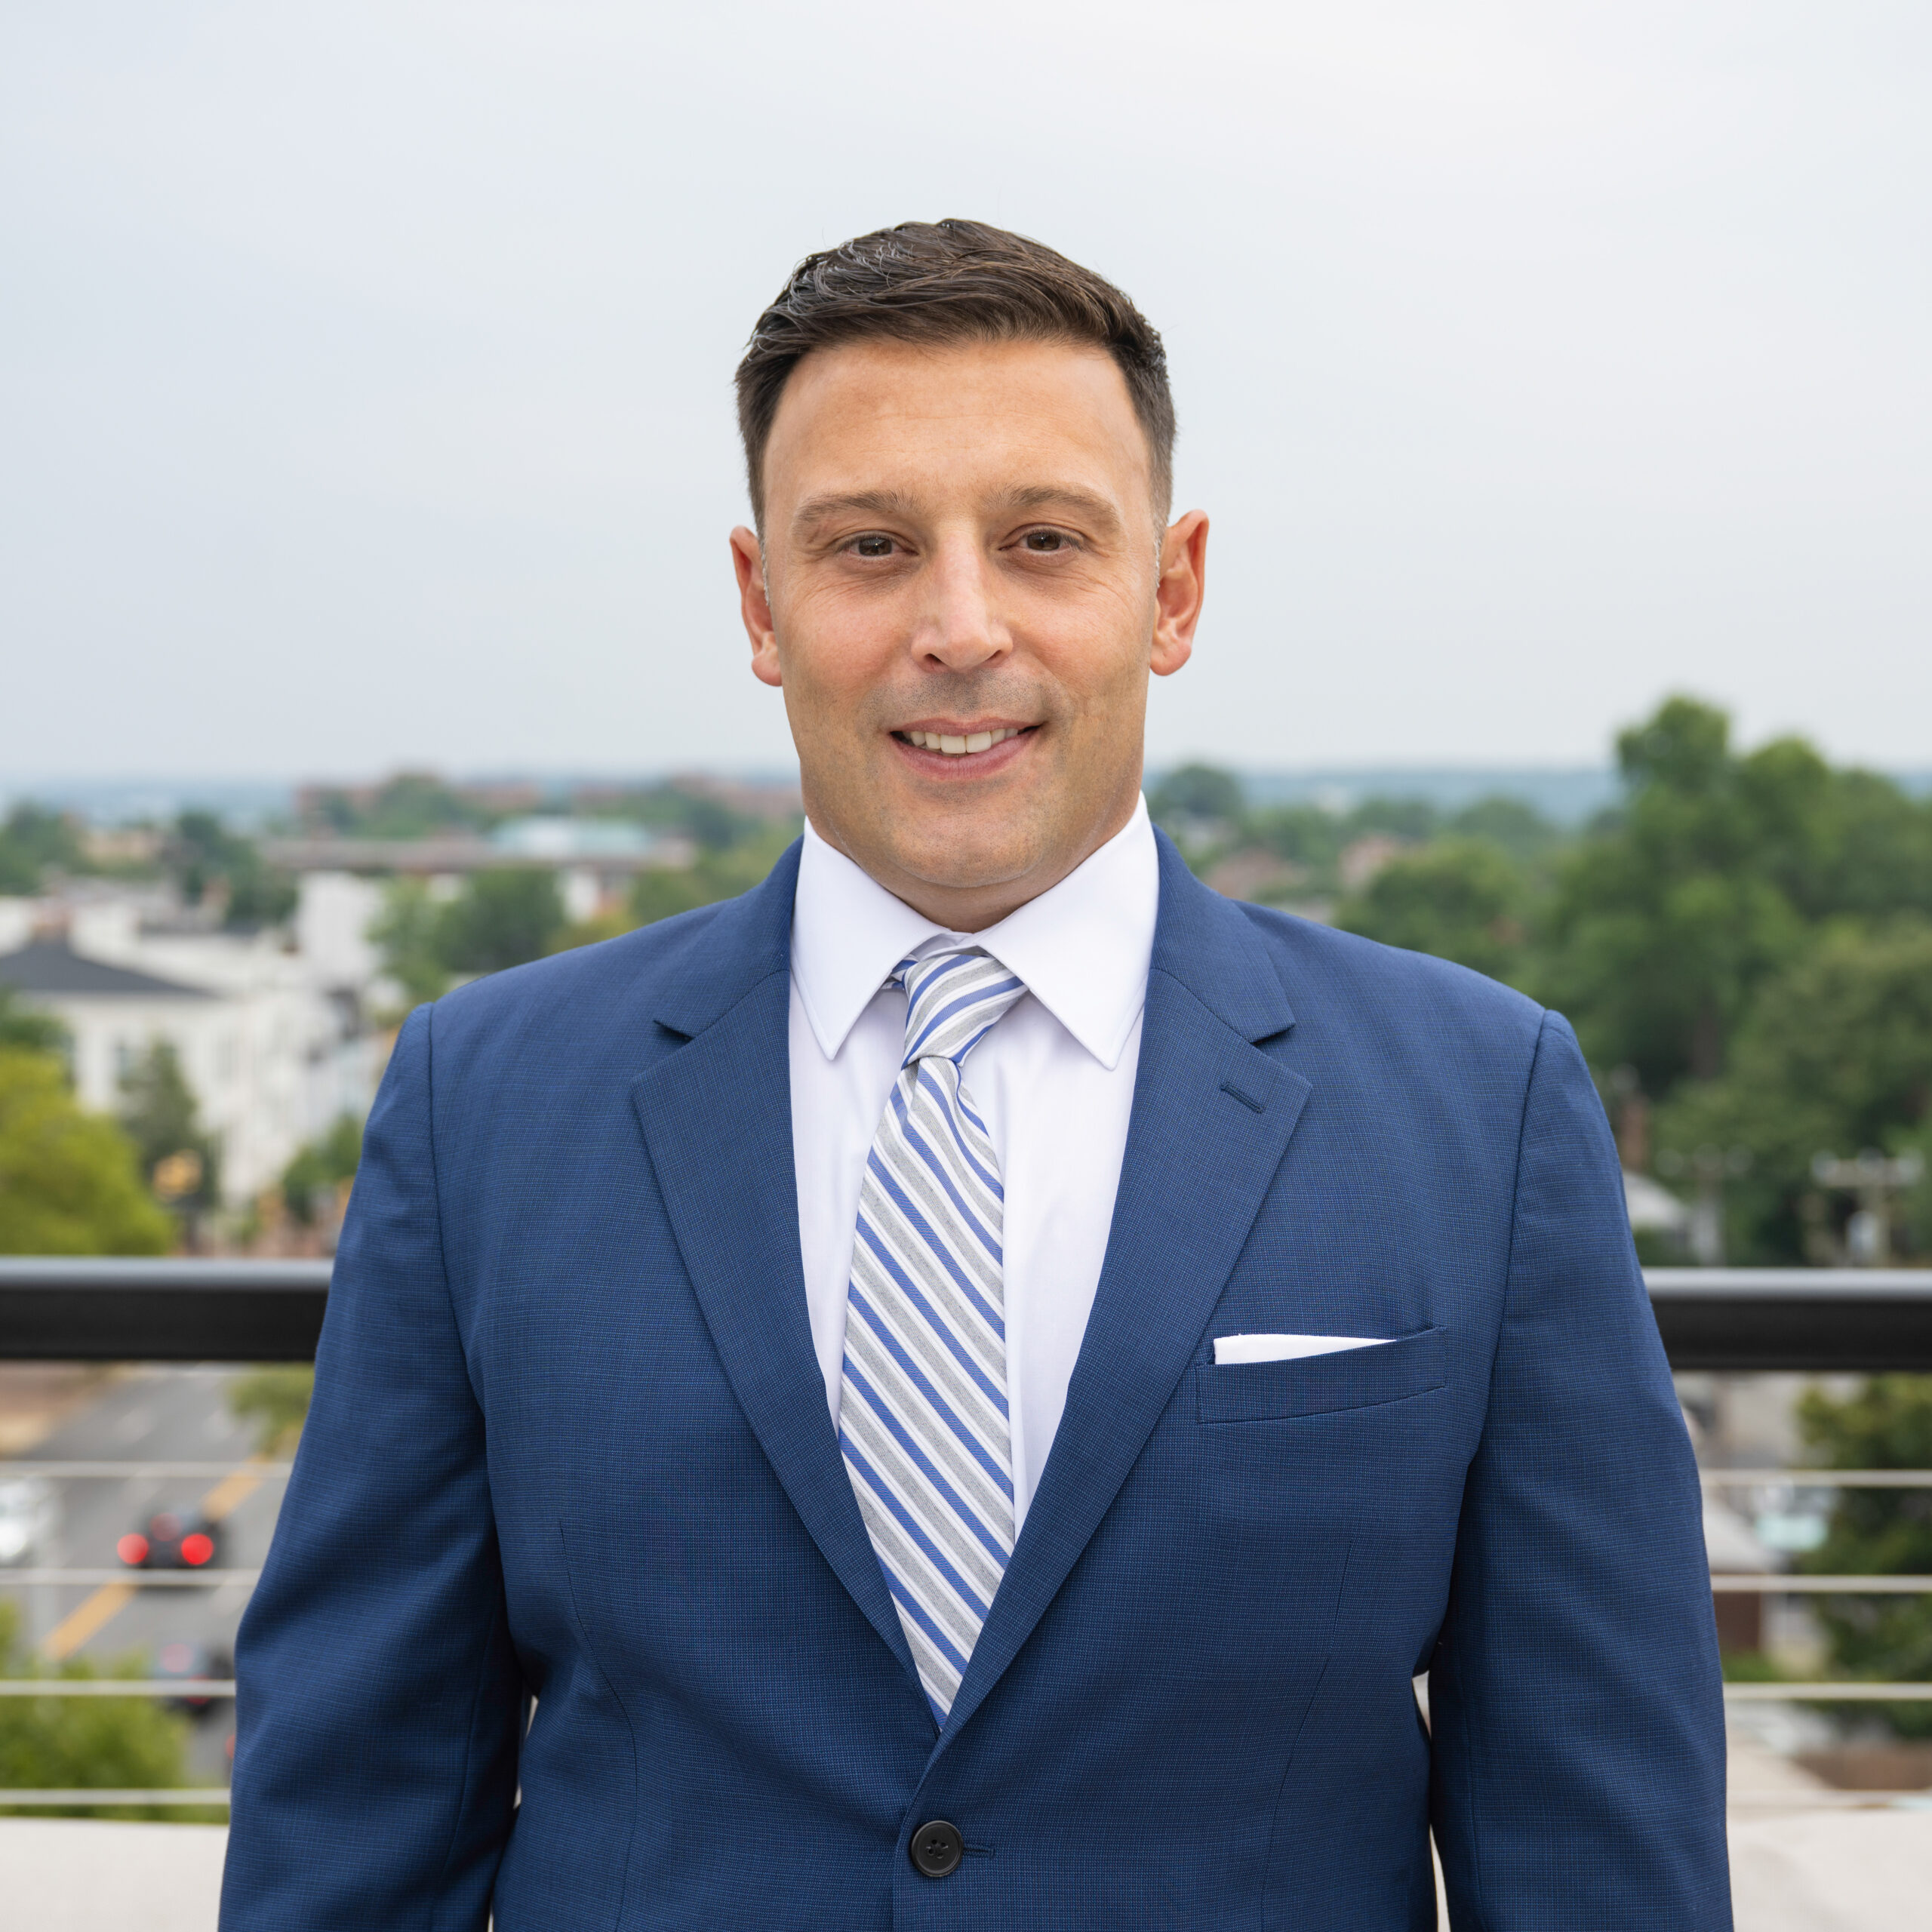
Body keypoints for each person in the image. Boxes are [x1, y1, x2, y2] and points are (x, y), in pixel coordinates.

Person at [221, 220, 1730, 1930]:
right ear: (759, 600)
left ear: (1169, 590)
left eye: (1040, 541)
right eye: (868, 545)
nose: (958, 625)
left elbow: (1597, 1840)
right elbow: (351, 1813)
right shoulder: (484, 1100)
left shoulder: (1479, 1106)